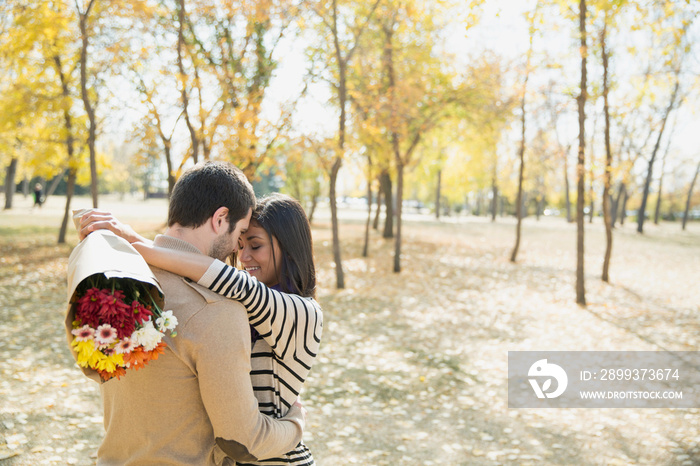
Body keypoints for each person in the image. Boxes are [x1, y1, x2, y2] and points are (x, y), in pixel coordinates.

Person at [77, 161, 306, 466]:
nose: (236, 251)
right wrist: (296, 423)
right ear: (220, 218)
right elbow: (245, 441)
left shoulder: (113, 284)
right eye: (238, 234)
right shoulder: (218, 310)